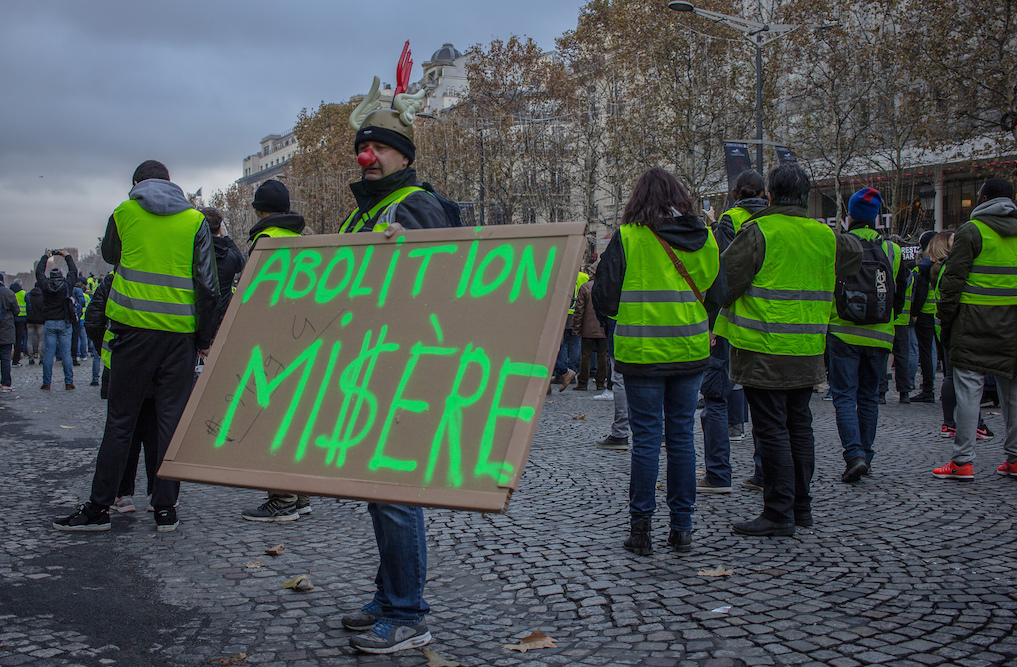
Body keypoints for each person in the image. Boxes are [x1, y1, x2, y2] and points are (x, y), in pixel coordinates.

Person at [337, 76, 452, 655]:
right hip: (373, 368)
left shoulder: (418, 205)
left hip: (407, 371)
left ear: (403, 154)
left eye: (380, 147)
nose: (369, 156)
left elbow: (450, 284)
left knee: (397, 495)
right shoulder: (369, 211)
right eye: (365, 146)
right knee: (380, 493)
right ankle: (388, 596)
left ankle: (408, 612)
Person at [53, 159, 219, 533]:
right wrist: (204, 339)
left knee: (120, 422)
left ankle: (99, 508)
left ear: (135, 183)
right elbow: (207, 286)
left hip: (131, 332)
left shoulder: (124, 212)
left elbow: (112, 256)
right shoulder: (194, 221)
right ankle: (165, 508)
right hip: (179, 338)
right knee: (169, 424)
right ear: (171, 183)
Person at [717, 164, 862, 536]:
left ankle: (778, 512)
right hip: (808, 349)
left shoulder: (758, 231)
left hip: (763, 350)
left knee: (772, 431)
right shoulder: (824, 235)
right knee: (800, 426)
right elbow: (855, 254)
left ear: (769, 196)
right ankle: (801, 507)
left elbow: (724, 284)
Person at [592, 167, 726, 556]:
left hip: (642, 353)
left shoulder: (630, 238)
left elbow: (604, 295)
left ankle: (641, 529)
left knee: (646, 440)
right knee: (682, 438)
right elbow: (719, 292)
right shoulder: (705, 240)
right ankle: (682, 529)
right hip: (690, 352)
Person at [239, 181, 313, 523]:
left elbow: (252, 298)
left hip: (273, 343)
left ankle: (281, 500)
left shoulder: (264, 243)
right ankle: (301, 497)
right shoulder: (306, 239)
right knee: (296, 418)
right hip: (306, 340)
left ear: (259, 211)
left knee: (272, 421)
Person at [934, 178, 1017, 480]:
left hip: (973, 323)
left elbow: (952, 282)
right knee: (1013, 393)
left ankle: (962, 461)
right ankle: (1015, 458)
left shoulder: (972, 231)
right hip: (1013, 326)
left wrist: (945, 319)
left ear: (985, 198)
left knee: (969, 392)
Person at [826, 188, 907, 483]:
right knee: (869, 398)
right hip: (880, 336)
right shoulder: (892, 251)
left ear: (849, 217)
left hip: (843, 333)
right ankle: (866, 457)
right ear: (875, 218)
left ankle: (854, 455)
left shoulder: (838, 246)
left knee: (845, 397)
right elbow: (899, 293)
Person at [698, 169, 767, 494]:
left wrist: (711, 324)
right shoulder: (774, 221)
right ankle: (764, 472)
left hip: (730, 325)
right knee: (765, 404)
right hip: (772, 325)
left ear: (736, 193)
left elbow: (719, 277)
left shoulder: (730, 221)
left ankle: (718, 473)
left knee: (715, 397)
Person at [36, 250, 78, 390]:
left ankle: (47, 382)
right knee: (66, 352)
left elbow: (39, 273)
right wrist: (66, 256)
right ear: (61, 276)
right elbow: (73, 271)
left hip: (49, 321)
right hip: (64, 321)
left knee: (49, 353)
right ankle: (68, 381)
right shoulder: (66, 285)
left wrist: (45, 257)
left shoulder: (45, 286)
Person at [200, 207, 245, 323]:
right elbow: (240, 262)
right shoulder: (229, 257)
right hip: (223, 319)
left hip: (199, 318)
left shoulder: (196, 254)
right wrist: (225, 237)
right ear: (220, 227)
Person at [572, 264, 607, 391]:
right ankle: (600, 382)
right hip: (603, 328)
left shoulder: (585, 287)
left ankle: (582, 382)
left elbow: (579, 310)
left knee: (585, 355)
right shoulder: (606, 287)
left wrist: (576, 328)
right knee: (602, 356)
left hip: (588, 328)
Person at [0, 275, 18, 391]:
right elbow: (16, 311)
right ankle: (6, 384)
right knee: (6, 358)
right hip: (5, 329)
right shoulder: (9, 293)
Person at [10, 280, 27, 366]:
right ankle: (16, 359)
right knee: (19, 340)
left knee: (8, 339)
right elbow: (29, 305)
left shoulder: (9, 293)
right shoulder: (24, 293)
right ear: (20, 284)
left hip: (10, 319)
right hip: (21, 319)